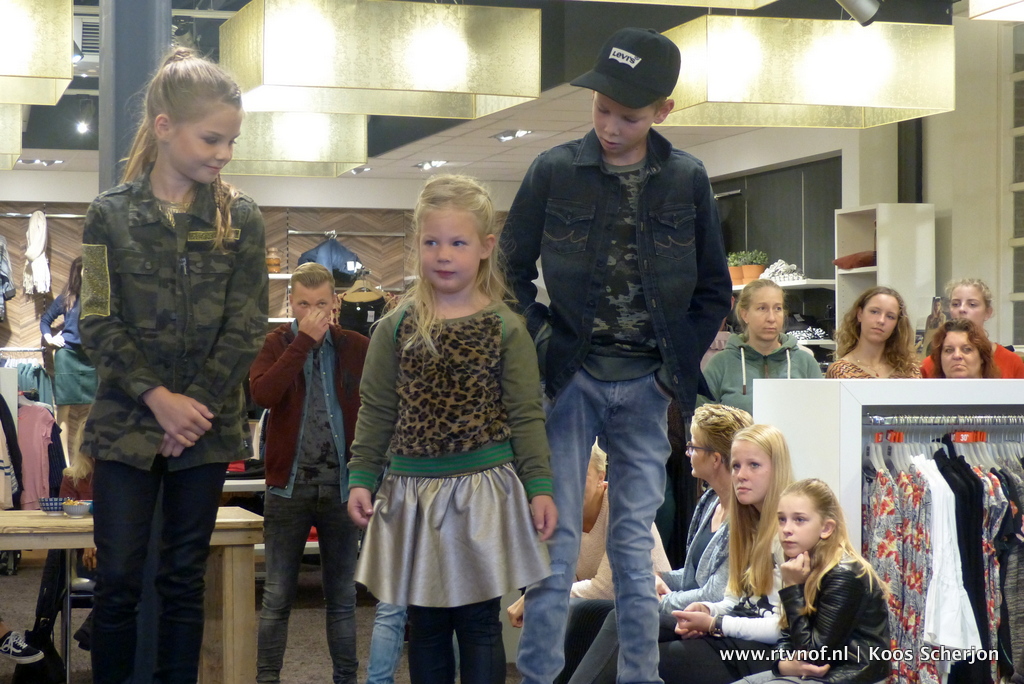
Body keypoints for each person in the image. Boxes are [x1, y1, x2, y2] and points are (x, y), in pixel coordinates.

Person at [501, 27, 732, 684]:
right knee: (554, 544)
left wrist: (669, 370)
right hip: (569, 376)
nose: (609, 125)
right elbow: (509, 272)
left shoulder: (687, 179)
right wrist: (543, 340)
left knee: (633, 551)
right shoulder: (552, 171)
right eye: (601, 108)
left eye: (627, 116)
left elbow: (713, 290)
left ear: (663, 110)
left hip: (647, 386)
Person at [79, 47, 267, 682]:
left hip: (205, 429)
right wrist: (159, 399)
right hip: (126, 423)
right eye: (212, 138)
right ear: (164, 126)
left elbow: (246, 327)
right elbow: (97, 319)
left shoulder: (241, 218)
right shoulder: (108, 213)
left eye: (232, 141)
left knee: (184, 580)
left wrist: (192, 411)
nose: (224, 153)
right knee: (118, 581)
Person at [347, 174, 556, 684]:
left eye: (458, 243)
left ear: (485, 247)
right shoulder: (394, 327)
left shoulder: (506, 327)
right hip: (411, 492)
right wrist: (361, 477)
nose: (443, 255)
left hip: (483, 492)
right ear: (417, 245)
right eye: (431, 242)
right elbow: (376, 410)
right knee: (426, 623)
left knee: (479, 622)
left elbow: (526, 414)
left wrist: (539, 486)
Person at [565, 404, 753, 684]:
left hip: (715, 622)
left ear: (715, 459)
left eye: (693, 447)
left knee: (625, 618)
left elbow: (715, 593)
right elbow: (690, 576)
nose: (687, 452)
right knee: (584, 613)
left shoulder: (744, 518)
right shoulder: (709, 501)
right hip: (687, 608)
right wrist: (655, 578)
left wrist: (658, 598)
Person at [249, 262, 369, 684]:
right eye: (303, 304)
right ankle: (267, 679)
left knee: (342, 597)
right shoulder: (275, 344)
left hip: (343, 487)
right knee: (277, 595)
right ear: (291, 303)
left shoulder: (356, 346)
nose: (313, 311)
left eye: (320, 303)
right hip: (288, 487)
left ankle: (346, 678)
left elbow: (377, 408)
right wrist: (301, 342)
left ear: (335, 303)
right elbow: (263, 394)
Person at [506, 441, 672, 684]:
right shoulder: (560, 512)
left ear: (601, 477)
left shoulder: (623, 506)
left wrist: (540, 594)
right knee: (547, 609)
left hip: (639, 612)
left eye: (580, 474)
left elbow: (606, 588)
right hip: (593, 614)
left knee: (561, 606)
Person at [656, 424, 794, 684]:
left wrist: (715, 623)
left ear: (777, 469)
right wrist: (707, 610)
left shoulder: (789, 533)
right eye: (736, 466)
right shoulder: (746, 526)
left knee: (647, 658)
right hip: (735, 634)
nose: (741, 475)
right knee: (625, 627)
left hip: (769, 651)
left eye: (754, 465)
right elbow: (733, 600)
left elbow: (784, 626)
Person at [764, 478, 890, 683]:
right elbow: (786, 633)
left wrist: (793, 587)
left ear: (826, 528)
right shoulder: (802, 564)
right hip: (810, 672)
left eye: (799, 520)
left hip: (847, 675)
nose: (786, 529)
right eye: (782, 519)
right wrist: (782, 665)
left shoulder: (844, 573)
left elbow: (815, 655)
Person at [702, 280, 822, 414]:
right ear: (744, 314)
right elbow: (701, 421)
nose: (771, 318)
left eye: (778, 308)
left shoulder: (805, 362)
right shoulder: (720, 364)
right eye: (762, 308)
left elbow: (822, 413)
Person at [41, 256, 98, 464]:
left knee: (94, 410)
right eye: (86, 269)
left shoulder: (100, 299)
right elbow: (46, 320)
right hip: (67, 355)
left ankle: (88, 460)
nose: (89, 273)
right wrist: (50, 338)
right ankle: (64, 463)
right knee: (63, 409)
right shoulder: (67, 297)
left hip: (92, 358)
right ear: (78, 271)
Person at [920, 277, 1024, 378]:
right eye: (955, 304)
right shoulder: (930, 364)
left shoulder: (1012, 362)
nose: (962, 309)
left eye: (972, 304)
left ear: (988, 312)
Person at [826, 285, 920, 379]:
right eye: (874, 312)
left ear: (897, 324)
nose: (881, 320)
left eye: (890, 317)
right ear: (860, 314)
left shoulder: (909, 371)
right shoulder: (840, 371)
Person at [926, 318, 1000, 379]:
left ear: (982, 357)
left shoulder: (999, 392)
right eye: (949, 350)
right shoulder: (928, 393)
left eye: (967, 349)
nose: (957, 355)